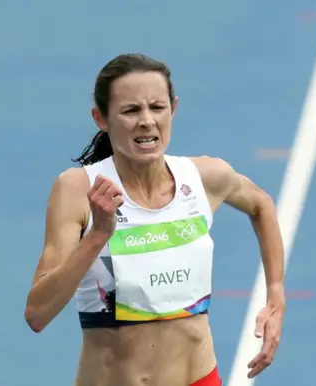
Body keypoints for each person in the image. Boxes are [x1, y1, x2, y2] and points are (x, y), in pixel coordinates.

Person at [24, 53, 286, 386]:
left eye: (157, 107)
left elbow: (261, 204)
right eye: (131, 110)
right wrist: (98, 236)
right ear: (101, 118)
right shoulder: (78, 189)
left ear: (173, 108)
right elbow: (37, 313)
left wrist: (275, 296)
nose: (147, 120)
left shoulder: (204, 177)